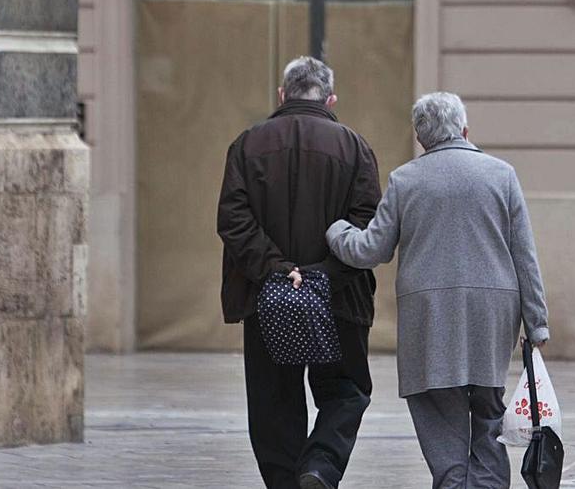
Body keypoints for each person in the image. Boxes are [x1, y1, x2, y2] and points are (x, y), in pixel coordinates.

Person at [325, 91, 550, 489]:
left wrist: (337, 230)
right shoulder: (502, 174)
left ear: (421, 137)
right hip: (491, 310)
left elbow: (370, 250)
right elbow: (524, 256)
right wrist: (537, 323)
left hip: (429, 316)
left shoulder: (405, 180)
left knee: (438, 408)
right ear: (464, 129)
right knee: (489, 409)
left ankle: (452, 482)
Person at [217, 56, 381, 489]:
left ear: (282, 95)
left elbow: (233, 220)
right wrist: (323, 276)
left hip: (264, 297)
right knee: (345, 390)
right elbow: (366, 223)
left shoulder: (248, 144)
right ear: (330, 99)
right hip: (338, 297)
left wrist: (276, 270)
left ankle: (288, 483)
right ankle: (320, 467)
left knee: (274, 402)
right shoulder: (355, 147)